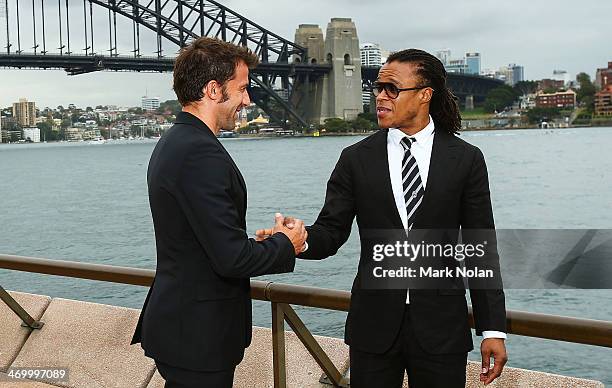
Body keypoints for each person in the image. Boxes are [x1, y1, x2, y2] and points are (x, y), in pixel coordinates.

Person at [258, 48, 507, 387]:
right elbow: (331, 232)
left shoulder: (466, 159)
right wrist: (295, 239)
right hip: (372, 329)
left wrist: (492, 329)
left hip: (441, 329)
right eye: (378, 87)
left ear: (424, 95)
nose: (380, 96)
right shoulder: (355, 159)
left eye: (392, 88)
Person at [131, 37, 307, 388]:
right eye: (242, 89)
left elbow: (201, 240)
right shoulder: (200, 153)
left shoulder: (176, 141)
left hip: (185, 329)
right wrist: (288, 244)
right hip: (198, 334)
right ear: (213, 89)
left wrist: (264, 243)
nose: (248, 100)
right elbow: (230, 259)